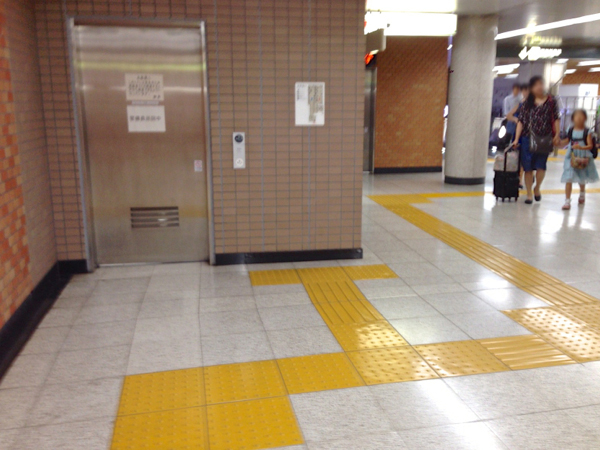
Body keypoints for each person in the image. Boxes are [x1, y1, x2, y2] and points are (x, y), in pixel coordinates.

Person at [512, 76, 561, 204]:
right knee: (528, 168)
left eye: (541, 84)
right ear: (531, 88)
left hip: (545, 138)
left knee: (541, 167)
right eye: (536, 85)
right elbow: (521, 122)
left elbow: (556, 118)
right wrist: (516, 139)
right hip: (527, 138)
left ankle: (537, 187)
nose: (539, 87)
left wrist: (557, 134)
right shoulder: (526, 103)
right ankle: (529, 194)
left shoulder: (551, 101)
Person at [559, 109, 599, 210]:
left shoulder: (587, 131)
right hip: (571, 155)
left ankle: (582, 193)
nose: (579, 118)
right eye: (577, 116)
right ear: (573, 118)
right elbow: (567, 140)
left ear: (585, 118)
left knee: (582, 177)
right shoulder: (570, 129)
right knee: (569, 177)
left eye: (581, 116)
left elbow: (590, 145)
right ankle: (567, 201)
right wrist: (558, 143)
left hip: (583, 156)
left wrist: (581, 147)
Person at [507, 84, 529, 187]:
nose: (525, 93)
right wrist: (516, 120)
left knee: (525, 157)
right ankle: (518, 178)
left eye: (527, 91)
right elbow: (509, 115)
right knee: (518, 156)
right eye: (524, 91)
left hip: (528, 134)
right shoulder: (520, 104)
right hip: (518, 134)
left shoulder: (534, 105)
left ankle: (522, 178)